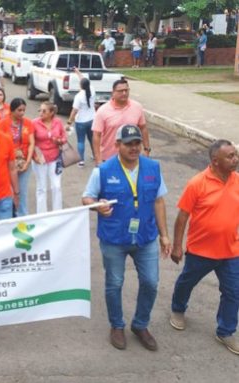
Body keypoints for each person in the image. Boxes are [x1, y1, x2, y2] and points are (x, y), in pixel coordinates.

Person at [82, 124, 171, 351]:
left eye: (137, 143)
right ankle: (117, 325)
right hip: (114, 239)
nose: (134, 148)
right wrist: (96, 206)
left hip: (146, 237)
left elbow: (159, 201)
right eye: (128, 143)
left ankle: (140, 325)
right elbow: (87, 198)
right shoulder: (102, 170)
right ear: (117, 144)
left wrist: (165, 235)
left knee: (151, 282)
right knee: (115, 283)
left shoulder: (153, 167)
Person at [169, 140, 239, 355]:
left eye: (235, 154)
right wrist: (177, 246)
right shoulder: (197, 183)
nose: (235, 159)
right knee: (187, 282)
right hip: (201, 251)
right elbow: (182, 217)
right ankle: (178, 309)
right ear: (215, 161)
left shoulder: (237, 181)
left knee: (233, 292)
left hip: (231, 251)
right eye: (230, 156)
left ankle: (226, 331)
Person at [92, 79, 149, 165]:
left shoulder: (137, 107)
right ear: (113, 93)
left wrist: (146, 149)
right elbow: (96, 135)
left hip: (132, 158)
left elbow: (143, 128)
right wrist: (98, 159)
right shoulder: (103, 111)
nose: (124, 93)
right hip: (108, 159)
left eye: (126, 90)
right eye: (120, 91)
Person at [0, 98, 35, 217]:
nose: (22, 113)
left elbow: (32, 143)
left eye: (24, 110)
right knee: (9, 191)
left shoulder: (28, 123)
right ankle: (9, 216)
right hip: (8, 163)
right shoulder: (3, 123)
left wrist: (27, 162)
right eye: (19, 110)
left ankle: (22, 217)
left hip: (24, 163)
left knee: (22, 192)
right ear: (12, 110)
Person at [67, 68, 95, 168]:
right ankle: (95, 155)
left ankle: (81, 161)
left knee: (80, 141)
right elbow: (83, 79)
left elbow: (74, 110)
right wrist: (77, 71)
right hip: (92, 120)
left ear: (80, 85)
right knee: (92, 139)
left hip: (81, 122)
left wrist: (69, 121)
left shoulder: (78, 96)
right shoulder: (92, 90)